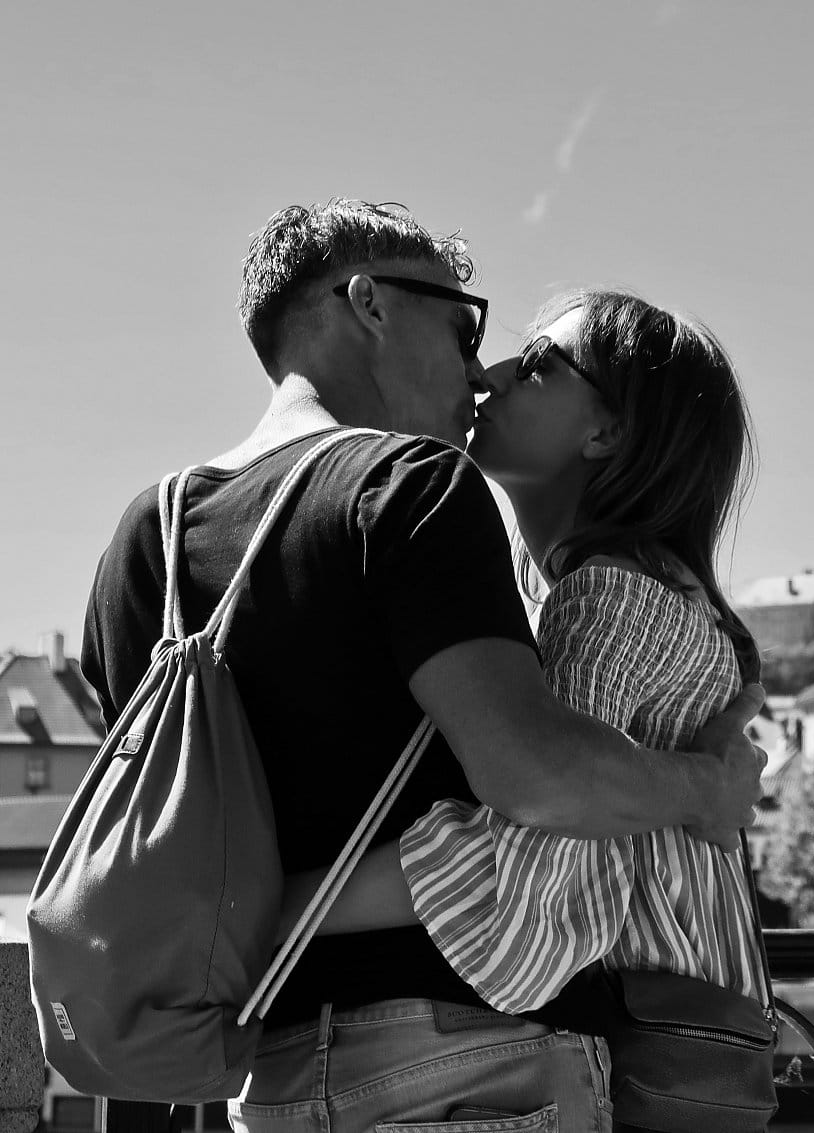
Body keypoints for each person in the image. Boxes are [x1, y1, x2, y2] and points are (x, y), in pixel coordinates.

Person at [79, 200, 767, 1133]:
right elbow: (540, 791)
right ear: (368, 303)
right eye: (462, 326)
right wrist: (704, 788)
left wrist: (232, 922)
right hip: (465, 1058)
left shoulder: (145, 536)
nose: (480, 370)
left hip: (264, 1070)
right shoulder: (412, 486)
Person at [303, 286, 770, 1084]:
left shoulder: (606, 595)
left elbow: (528, 892)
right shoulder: (646, 587)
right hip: (690, 1060)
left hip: (632, 1070)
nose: (489, 375)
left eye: (539, 366)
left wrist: (280, 912)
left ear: (607, 430)